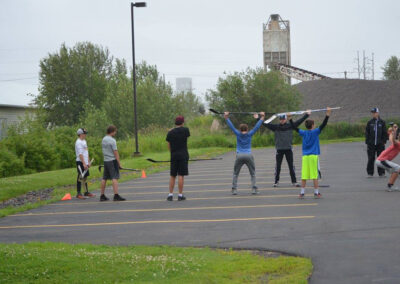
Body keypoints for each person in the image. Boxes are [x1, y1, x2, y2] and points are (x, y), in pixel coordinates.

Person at [290, 107, 332, 199]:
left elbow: (294, 127)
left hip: (305, 157)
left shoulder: (303, 132)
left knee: (304, 175)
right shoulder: (316, 132)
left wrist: (290, 118)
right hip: (313, 156)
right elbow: (324, 124)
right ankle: (316, 193)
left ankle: (302, 193)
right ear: (312, 125)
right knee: (314, 175)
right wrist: (327, 114)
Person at [263, 112, 309, 187]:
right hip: (279, 149)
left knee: (291, 166)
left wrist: (307, 114)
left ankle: (294, 182)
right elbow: (265, 124)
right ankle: (276, 181)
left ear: (286, 119)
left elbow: (299, 121)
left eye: (283, 119)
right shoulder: (276, 127)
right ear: (279, 120)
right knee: (278, 166)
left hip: (288, 149)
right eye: (281, 119)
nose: (282, 121)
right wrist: (259, 118)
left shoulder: (291, 126)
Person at [225, 111, 265, 195]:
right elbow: (256, 127)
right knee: (252, 174)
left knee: (236, 174)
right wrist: (262, 117)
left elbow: (231, 126)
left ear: (240, 129)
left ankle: (234, 189)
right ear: (247, 129)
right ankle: (254, 189)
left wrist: (226, 117)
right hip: (248, 155)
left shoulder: (238, 134)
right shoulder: (249, 134)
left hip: (239, 155)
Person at [166, 116, 190, 201]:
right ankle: (180, 195)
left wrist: (172, 152)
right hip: (183, 155)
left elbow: (168, 145)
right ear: (182, 123)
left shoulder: (170, 133)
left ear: (175, 123)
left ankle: (170, 194)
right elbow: (185, 135)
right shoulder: (186, 130)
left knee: (172, 175)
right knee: (181, 175)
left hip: (174, 155)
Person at [99, 125, 126, 202]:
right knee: (115, 177)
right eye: (115, 131)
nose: (115, 133)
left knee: (104, 178)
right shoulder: (112, 140)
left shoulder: (103, 139)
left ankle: (102, 195)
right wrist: (119, 163)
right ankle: (116, 195)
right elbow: (115, 152)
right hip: (112, 160)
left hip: (106, 161)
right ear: (112, 131)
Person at [375, 124, 400, 191]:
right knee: (398, 168)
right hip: (381, 160)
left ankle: (390, 186)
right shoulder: (397, 144)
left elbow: (391, 139)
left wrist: (393, 133)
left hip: (383, 161)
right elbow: (394, 140)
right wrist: (394, 132)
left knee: (397, 171)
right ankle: (389, 187)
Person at [365, 108, 388, 177]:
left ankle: (381, 173)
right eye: (372, 113)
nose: (373, 114)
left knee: (380, 158)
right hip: (371, 144)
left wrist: (384, 141)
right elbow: (367, 133)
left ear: (378, 113)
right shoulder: (370, 122)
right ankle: (370, 173)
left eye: (375, 112)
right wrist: (368, 142)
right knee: (371, 158)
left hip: (380, 144)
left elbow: (384, 133)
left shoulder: (382, 122)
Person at [75, 128, 95, 199]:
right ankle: (78, 193)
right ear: (80, 134)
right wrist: (83, 163)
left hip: (85, 162)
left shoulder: (84, 141)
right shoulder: (78, 142)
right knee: (80, 177)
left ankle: (86, 192)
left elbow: (86, 152)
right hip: (80, 162)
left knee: (85, 177)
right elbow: (80, 154)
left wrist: (88, 162)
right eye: (84, 133)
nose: (85, 135)